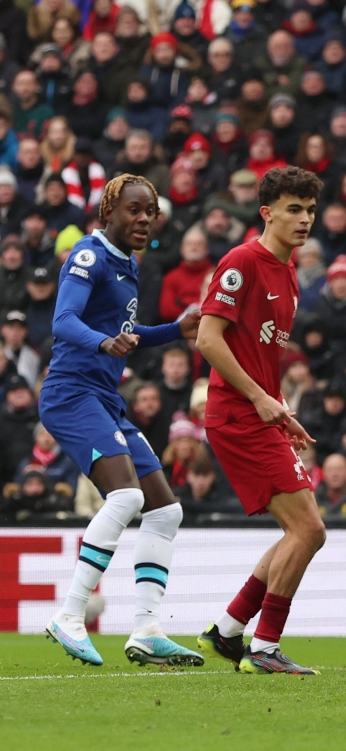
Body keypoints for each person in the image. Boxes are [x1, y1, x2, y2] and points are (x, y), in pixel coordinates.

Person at [40, 175, 204, 667]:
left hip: (104, 398)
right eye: (133, 210)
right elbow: (63, 321)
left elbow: (127, 333)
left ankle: (147, 629)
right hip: (71, 394)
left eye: (149, 212)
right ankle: (70, 616)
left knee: (165, 511)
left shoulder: (128, 264)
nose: (143, 219)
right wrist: (103, 342)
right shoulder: (89, 257)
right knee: (127, 495)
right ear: (107, 212)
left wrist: (176, 330)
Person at [194, 167, 326, 676]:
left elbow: (258, 354)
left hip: (261, 414)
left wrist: (279, 410)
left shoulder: (288, 272)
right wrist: (259, 399)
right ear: (267, 213)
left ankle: (228, 631)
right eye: (294, 209)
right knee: (309, 529)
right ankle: (265, 647)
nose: (305, 219)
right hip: (236, 413)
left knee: (300, 529)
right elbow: (208, 340)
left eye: (310, 210)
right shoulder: (242, 261)